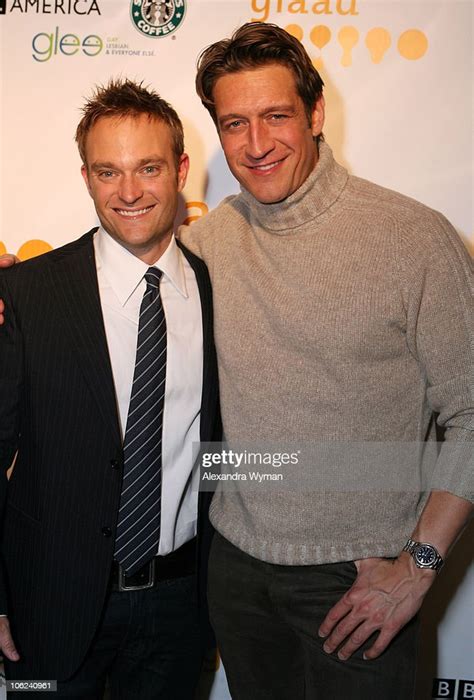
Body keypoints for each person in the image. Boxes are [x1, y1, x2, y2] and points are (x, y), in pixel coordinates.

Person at [174, 22, 472, 699]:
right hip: (237, 576)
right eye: (234, 123)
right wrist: (19, 291)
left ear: (315, 112)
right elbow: (121, 282)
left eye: (276, 116)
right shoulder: (210, 240)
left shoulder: (414, 237)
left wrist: (419, 565)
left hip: (360, 583)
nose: (256, 145)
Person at [0, 79, 220, 699]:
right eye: (107, 171)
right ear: (86, 176)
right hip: (45, 605)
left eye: (148, 168)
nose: (128, 192)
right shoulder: (27, 293)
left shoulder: (214, 289)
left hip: (179, 609)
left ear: (179, 169)